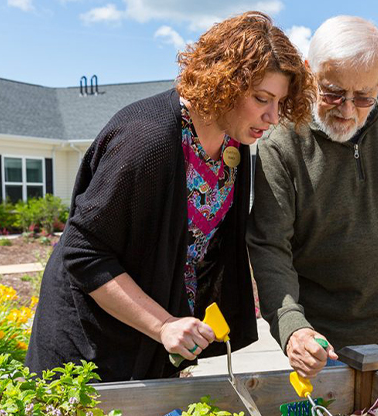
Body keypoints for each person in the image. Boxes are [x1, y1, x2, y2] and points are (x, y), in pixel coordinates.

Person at [25, 12, 315, 382]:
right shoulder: (144, 141)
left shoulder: (234, 143)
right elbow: (83, 253)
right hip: (90, 342)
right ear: (226, 82)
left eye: (279, 103)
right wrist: (162, 324)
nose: (272, 116)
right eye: (262, 98)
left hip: (160, 334)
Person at [246, 15, 378, 392]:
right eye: (332, 93)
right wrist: (292, 326)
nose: (347, 110)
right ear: (309, 72)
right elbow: (269, 246)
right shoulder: (281, 143)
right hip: (328, 346)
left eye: (364, 97)